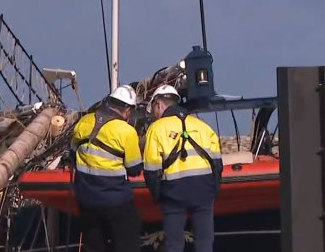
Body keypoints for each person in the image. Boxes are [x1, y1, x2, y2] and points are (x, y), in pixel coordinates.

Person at [142, 84, 223, 252]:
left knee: (174, 244)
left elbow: (151, 170)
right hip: (203, 190)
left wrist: (158, 197)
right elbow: (217, 164)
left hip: (173, 192)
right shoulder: (203, 126)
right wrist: (213, 191)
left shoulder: (156, 129)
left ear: (158, 104)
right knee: (205, 243)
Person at [71, 84, 143, 252]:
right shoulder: (127, 131)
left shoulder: (84, 122)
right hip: (116, 201)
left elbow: (72, 154)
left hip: (87, 200)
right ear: (127, 110)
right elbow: (134, 169)